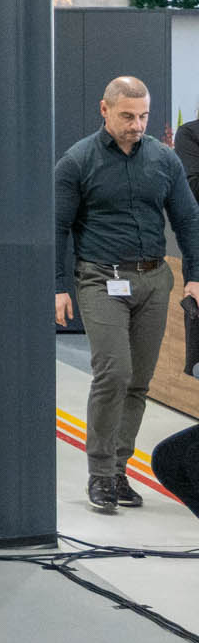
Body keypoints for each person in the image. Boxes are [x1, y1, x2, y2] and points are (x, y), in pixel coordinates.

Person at [55, 76, 199, 515]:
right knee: (114, 373)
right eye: (127, 116)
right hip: (101, 279)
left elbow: (188, 219)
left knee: (138, 380)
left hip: (153, 280)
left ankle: (119, 470)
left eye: (143, 116)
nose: (136, 125)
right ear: (105, 110)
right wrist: (57, 287)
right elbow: (57, 227)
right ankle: (100, 474)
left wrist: (195, 276)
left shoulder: (163, 159)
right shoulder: (78, 161)